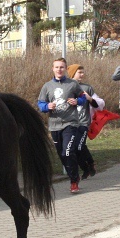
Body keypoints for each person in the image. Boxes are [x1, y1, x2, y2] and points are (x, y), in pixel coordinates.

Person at [38, 58, 86, 193]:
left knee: (68, 151)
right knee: (62, 155)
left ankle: (74, 180)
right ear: (53, 69)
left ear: (65, 69)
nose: (59, 70)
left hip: (70, 123)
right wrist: (47, 106)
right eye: (57, 67)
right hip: (54, 125)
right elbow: (40, 104)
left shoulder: (73, 84)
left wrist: (77, 101)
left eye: (62, 67)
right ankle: (74, 175)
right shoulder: (47, 86)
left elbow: (83, 97)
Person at [68, 64, 102, 181]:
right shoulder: (67, 87)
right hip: (71, 123)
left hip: (83, 122)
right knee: (74, 148)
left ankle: (90, 164)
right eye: (79, 72)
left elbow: (97, 105)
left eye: (83, 72)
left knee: (79, 146)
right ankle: (85, 168)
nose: (82, 75)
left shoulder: (87, 88)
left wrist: (89, 99)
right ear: (72, 73)